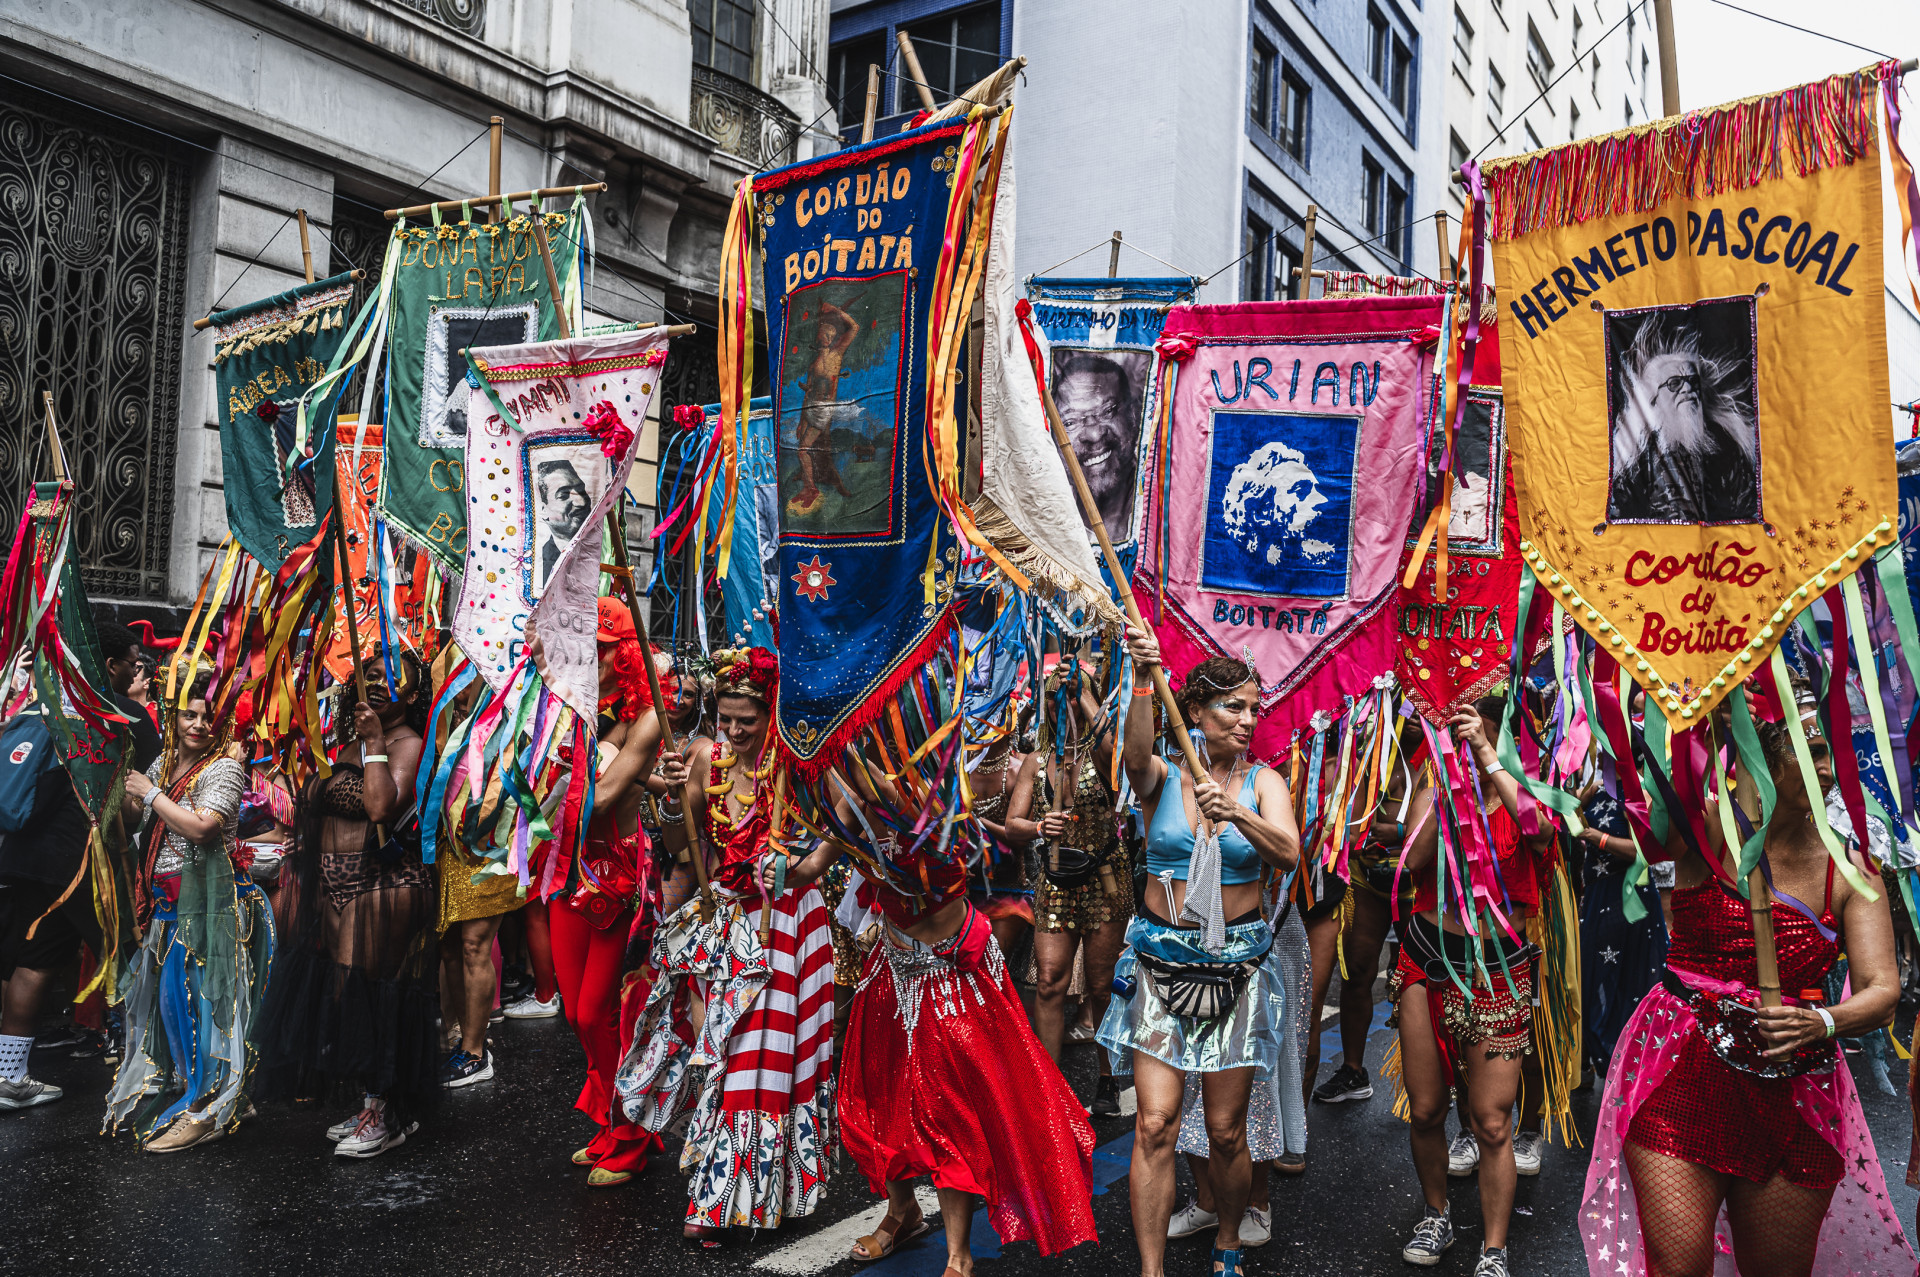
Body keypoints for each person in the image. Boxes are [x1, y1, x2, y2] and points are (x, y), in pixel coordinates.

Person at [1582, 693, 1910, 1277]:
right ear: (1759, 754)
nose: (1830, 769)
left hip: (1795, 1091)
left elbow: (1882, 987)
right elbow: (1651, 793)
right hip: (1681, 1076)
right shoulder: (1704, 832)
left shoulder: (1851, 865)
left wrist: (1823, 1021)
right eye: (1812, 752)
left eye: (1831, 752)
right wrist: (1668, 713)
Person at [831, 747, 1098, 1273]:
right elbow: (816, 857)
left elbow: (894, 800)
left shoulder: (942, 804)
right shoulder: (856, 800)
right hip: (892, 971)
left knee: (952, 1113)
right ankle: (902, 1212)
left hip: (955, 978)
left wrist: (833, 738)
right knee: (883, 1098)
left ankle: (959, 1255)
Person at [617, 647, 835, 1243]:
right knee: (727, 1047)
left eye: (748, 721)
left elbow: (840, 827)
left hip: (785, 922)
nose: (735, 732)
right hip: (728, 920)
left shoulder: (799, 762)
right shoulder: (704, 759)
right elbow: (680, 842)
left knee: (760, 1055)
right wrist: (663, 799)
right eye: (726, 719)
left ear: (771, 714)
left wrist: (803, 870)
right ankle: (739, 1192)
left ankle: (725, 1204)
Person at [1103, 625, 1302, 1277]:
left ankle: (1227, 1244)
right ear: (1194, 712)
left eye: (1253, 708)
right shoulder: (1161, 775)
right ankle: (1151, 1270)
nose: (1248, 720)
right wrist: (1139, 676)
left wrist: (1238, 814)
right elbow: (1133, 761)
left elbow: (1290, 852)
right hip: (1160, 962)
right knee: (1154, 1122)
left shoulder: (1264, 782)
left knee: (1225, 1131)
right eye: (1232, 707)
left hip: (1236, 967)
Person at [1392, 699, 1557, 1277]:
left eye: (1477, 722)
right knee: (1428, 1110)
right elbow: (1414, 860)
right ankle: (1436, 1213)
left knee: (1491, 1122)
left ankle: (1493, 1248)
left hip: (1500, 968)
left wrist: (1487, 762)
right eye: (1457, 723)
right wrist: (1445, 780)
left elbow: (1542, 834)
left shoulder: (1524, 783)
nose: (1465, 731)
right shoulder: (1434, 775)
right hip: (1428, 957)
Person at [256, 653, 437, 1159]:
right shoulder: (346, 745)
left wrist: (377, 743)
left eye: (390, 678)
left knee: (372, 996)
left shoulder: (409, 744)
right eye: (369, 676)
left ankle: (382, 1113)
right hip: (336, 884)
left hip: (383, 885)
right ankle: (378, 1103)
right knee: (344, 992)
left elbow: (381, 806)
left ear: (414, 694)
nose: (377, 684)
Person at [103, 671, 273, 1150]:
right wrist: (115, 786)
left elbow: (203, 829)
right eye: (189, 715)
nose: (197, 725)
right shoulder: (165, 762)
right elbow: (137, 819)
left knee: (209, 1006)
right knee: (173, 1006)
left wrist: (152, 794)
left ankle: (207, 1107)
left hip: (212, 909)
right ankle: (215, 1093)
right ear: (173, 716)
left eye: (208, 717)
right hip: (168, 905)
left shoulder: (224, 768)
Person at [0, 620, 160, 1111]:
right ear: (108, 665)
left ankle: (8, 1077)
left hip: (24, 854)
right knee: (136, 958)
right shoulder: (126, 715)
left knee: (30, 961)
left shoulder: (43, 702)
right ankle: (158, 1070)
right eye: (133, 663)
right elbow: (150, 779)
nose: (138, 670)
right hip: (85, 861)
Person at [543, 598, 665, 1186]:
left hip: (616, 874)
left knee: (603, 1009)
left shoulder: (646, 718)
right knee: (576, 1013)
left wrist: (564, 747)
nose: (590, 659)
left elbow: (603, 798)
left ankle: (633, 1134)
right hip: (568, 867)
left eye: (601, 648)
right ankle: (609, 1119)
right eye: (584, 648)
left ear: (625, 652)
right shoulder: (575, 712)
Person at [1005, 654, 1128, 1116]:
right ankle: (1049, 1087)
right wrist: (1040, 828)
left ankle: (1107, 1077)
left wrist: (1085, 693)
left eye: (1070, 701)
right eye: (1055, 702)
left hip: (1103, 881)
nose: (1064, 709)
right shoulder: (1038, 760)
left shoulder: (1102, 751)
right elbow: (1014, 823)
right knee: (1051, 982)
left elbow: (1117, 747)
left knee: (1100, 987)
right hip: (1056, 882)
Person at [435, 671, 519, 1086]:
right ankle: (455, 1037)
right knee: (449, 945)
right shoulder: (445, 720)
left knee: (474, 946)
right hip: (449, 845)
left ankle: (475, 1050)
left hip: (493, 846)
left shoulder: (519, 721)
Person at [1605, 311, 1759, 525]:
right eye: (1674, 383)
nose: (1688, 388)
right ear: (1654, 400)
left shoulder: (1726, 446)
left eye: (1692, 381)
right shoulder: (1634, 459)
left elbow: (1746, 507)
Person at [1053, 351, 1141, 537]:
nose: (1094, 434)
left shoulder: (1164, 513)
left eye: (1107, 411)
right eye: (1070, 422)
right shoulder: (1045, 527)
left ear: (1132, 415)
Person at [789, 301, 860, 516]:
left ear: (831, 338)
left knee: (803, 450)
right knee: (803, 448)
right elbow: (808, 391)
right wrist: (801, 421)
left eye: (827, 335)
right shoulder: (814, 362)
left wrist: (836, 311)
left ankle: (811, 489)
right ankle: (808, 487)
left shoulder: (836, 355)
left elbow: (854, 327)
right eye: (821, 335)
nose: (823, 338)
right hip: (810, 406)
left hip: (822, 409)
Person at [535, 459, 590, 591]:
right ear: (543, 509)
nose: (581, 502)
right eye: (564, 495)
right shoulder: (537, 565)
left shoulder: (604, 552)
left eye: (581, 491)